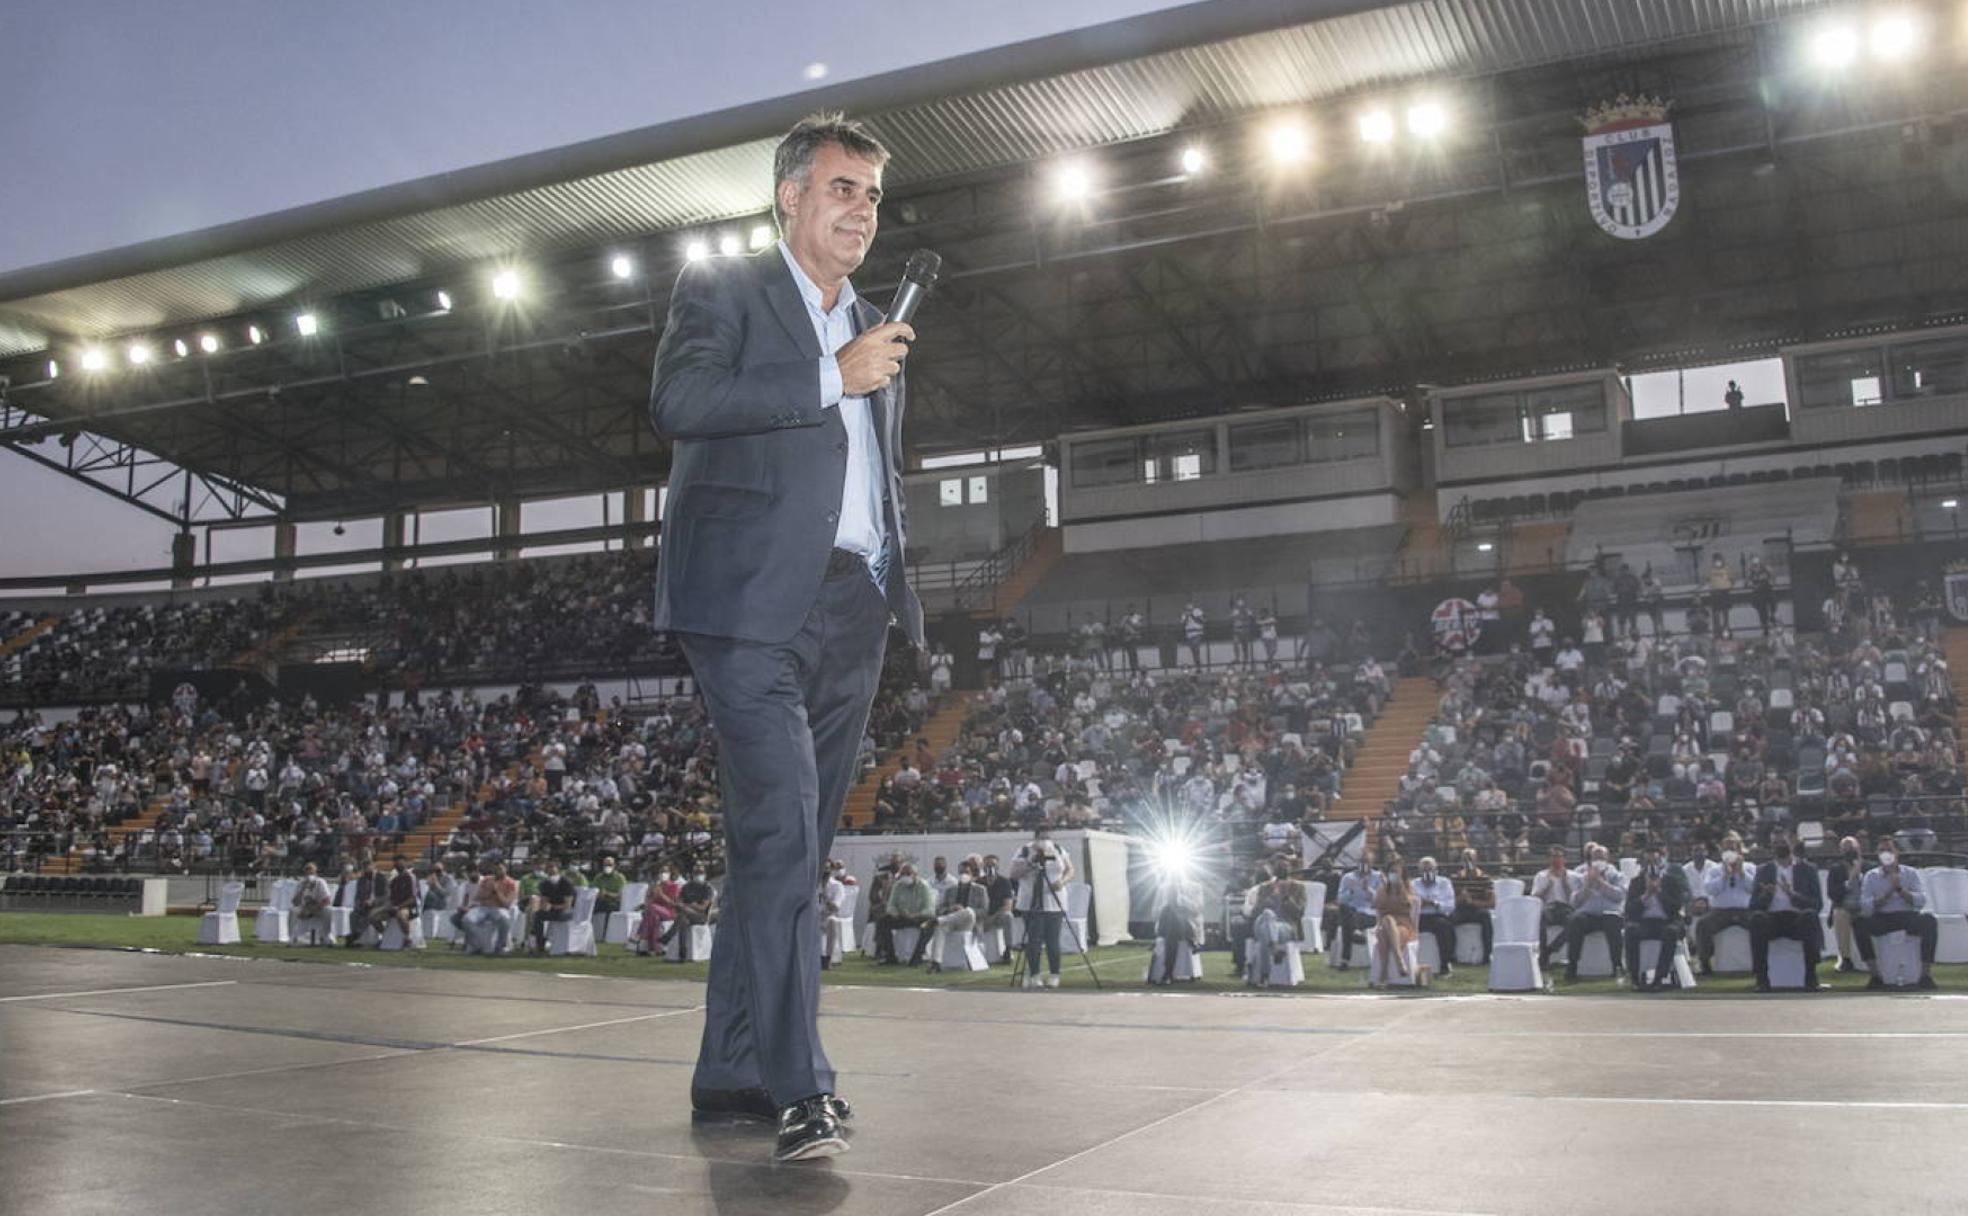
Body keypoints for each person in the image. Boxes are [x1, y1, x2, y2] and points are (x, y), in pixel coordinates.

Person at [648, 112, 920, 1159]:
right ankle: (802, 1087)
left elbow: (870, 470)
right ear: (791, 197)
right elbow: (680, 400)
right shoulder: (723, 289)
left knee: (785, 852)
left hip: (853, 606)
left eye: (873, 197)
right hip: (748, 603)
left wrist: (892, 572)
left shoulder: (876, 323)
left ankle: (731, 1072)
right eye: (844, 189)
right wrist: (827, 376)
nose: (862, 211)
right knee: (783, 834)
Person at [1856, 844, 1939, 989]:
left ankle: (1925, 975)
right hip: (1883, 917)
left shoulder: (1910, 873)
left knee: (1929, 920)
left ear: (1897, 853)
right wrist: (1888, 893)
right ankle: (1875, 975)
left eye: (1889, 850)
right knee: (1859, 922)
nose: (1886, 854)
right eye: (1882, 850)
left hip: (1907, 916)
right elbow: (1865, 905)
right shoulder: (1871, 875)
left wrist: (1900, 889)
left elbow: (1920, 901)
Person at [1748, 833, 1823, 992]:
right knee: (1757, 919)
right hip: (1772, 919)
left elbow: (1817, 904)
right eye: (1775, 843)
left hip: (1797, 918)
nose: (1780, 846)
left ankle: (1811, 976)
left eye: (1783, 842)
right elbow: (1753, 905)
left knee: (1810, 916)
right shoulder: (1763, 871)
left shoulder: (1807, 869)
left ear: (1792, 844)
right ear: (1771, 847)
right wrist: (1767, 895)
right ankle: (1761, 978)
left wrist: (1792, 895)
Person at [1010, 827, 1074, 989]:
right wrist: (1031, 862)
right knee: (1034, 940)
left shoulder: (1058, 849)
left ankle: (1055, 974)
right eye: (1042, 836)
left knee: (1053, 940)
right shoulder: (1024, 850)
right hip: (1031, 901)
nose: (1045, 839)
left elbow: (1070, 870)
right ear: (1036, 837)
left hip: (1054, 900)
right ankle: (1034, 974)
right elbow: (1014, 874)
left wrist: (1062, 882)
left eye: (1048, 836)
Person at [1621, 843, 1690, 991]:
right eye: (1648, 862)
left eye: (1655, 861)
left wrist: (1658, 892)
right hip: (1644, 922)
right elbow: (1630, 910)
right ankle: (1635, 978)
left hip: (1667, 921)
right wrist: (1646, 895)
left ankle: (1659, 978)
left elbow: (1676, 907)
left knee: (1670, 932)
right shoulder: (1636, 882)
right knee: (1631, 930)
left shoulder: (1671, 881)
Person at [1564, 845, 1626, 981]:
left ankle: (1617, 966)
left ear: (1608, 858)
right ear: (1590, 859)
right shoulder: (1580, 876)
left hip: (1610, 914)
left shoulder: (1616, 875)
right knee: (1575, 921)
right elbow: (1575, 902)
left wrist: (1600, 882)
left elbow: (1619, 896)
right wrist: (1587, 885)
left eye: (1601, 857)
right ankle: (1572, 965)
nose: (1598, 860)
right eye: (1595, 857)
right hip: (1588, 916)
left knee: (1613, 922)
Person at [1244, 858, 1307, 987]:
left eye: (1286, 866)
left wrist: (1286, 897)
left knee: (1264, 940)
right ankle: (1274, 948)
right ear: (1274, 869)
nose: (1283, 869)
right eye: (1279, 866)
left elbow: (1299, 913)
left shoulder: (1299, 887)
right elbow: (1255, 912)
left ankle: (1264, 976)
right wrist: (1268, 898)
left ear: (1290, 869)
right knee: (1267, 914)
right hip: (1262, 923)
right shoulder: (1265, 887)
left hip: (1285, 926)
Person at [1697, 846, 1755, 975]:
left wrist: (1742, 873)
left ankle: (1759, 963)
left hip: (1744, 910)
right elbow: (1711, 890)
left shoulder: (1750, 867)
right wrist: (1724, 876)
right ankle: (1705, 963)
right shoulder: (1714, 870)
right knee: (1703, 924)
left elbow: (1753, 888)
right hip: (1720, 912)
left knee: (1759, 923)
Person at [925, 859, 988, 974]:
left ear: (972, 874)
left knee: (968, 911)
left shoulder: (980, 890)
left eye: (966, 872)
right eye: (961, 872)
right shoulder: (951, 890)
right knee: (940, 928)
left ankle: (938, 920)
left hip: (970, 922)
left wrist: (963, 910)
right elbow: (940, 909)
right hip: (952, 922)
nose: (964, 875)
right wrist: (950, 909)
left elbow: (984, 911)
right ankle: (936, 962)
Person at [875, 861, 936, 966]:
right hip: (902, 916)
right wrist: (896, 912)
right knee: (882, 922)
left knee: (930, 925)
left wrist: (916, 914)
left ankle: (917, 957)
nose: (905, 877)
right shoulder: (898, 885)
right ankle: (890, 956)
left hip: (918, 917)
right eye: (903, 874)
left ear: (915, 875)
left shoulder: (924, 886)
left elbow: (930, 910)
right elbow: (891, 905)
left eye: (908, 874)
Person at [1328, 855, 1381, 969]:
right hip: (1350, 912)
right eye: (1361, 862)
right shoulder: (1348, 877)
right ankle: (1355, 932)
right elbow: (1340, 899)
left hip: (1370, 914)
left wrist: (1368, 890)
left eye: (1366, 863)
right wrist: (1351, 891)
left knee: (1347, 923)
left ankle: (1345, 960)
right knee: (1347, 913)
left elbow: (1380, 901)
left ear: (1371, 863)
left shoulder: (1378, 877)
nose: (1363, 866)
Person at [1530, 846, 1577, 972]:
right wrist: (1547, 886)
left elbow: (1575, 899)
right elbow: (1534, 897)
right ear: (1548, 859)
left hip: (1566, 907)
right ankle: (1543, 954)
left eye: (1559, 857)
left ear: (1564, 859)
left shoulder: (1572, 875)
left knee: (1573, 922)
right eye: (1553, 857)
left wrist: (1565, 884)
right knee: (1541, 920)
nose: (1556, 860)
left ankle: (1550, 950)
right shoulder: (1541, 875)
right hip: (1549, 907)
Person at [1411, 856, 1460, 977]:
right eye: (1424, 870)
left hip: (1437, 916)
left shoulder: (1444, 883)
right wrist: (1420, 904)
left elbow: (1449, 906)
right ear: (1420, 871)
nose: (1427, 873)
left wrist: (1435, 903)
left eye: (1430, 870)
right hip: (1420, 917)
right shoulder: (1413, 884)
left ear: (1436, 870)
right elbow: (1409, 903)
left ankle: (1445, 963)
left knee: (1444, 927)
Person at [1370, 864, 1417, 989]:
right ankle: (1399, 960)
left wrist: (1400, 889)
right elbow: (1376, 905)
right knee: (1387, 921)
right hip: (1385, 925)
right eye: (1391, 872)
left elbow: (1411, 904)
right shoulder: (1383, 890)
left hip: (1403, 925)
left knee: (1385, 932)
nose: (1393, 875)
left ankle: (1383, 975)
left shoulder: (1408, 889)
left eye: (1396, 873)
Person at [1824, 836, 1867, 971]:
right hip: (1845, 906)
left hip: (1868, 905)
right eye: (1845, 849)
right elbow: (1833, 894)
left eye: (1852, 848)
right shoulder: (1836, 869)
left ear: (1858, 849)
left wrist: (1860, 874)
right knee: (1840, 913)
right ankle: (1846, 959)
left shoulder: (1870, 867)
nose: (1849, 852)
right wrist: (1849, 880)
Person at [463, 862, 519, 955]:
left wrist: (496, 891)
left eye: (500, 869)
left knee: (504, 920)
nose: (498, 871)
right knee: (467, 919)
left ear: (506, 869)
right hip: (483, 907)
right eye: (496, 869)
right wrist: (490, 892)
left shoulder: (511, 883)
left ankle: (500, 946)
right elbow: (478, 897)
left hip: (499, 908)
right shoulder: (487, 880)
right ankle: (476, 945)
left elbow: (506, 903)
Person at [1449, 849, 1493, 964]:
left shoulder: (1485, 878)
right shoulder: (1456, 878)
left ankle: (1487, 955)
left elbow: (1492, 902)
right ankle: (1451, 955)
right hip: (1460, 909)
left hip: (1478, 910)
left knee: (1486, 917)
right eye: (1465, 859)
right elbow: (1448, 901)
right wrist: (1460, 899)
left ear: (1476, 860)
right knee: (1447, 920)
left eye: (1470, 859)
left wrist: (1472, 901)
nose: (1468, 862)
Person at [528, 858, 576, 953]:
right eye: (548, 867)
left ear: (558, 868)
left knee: (543, 915)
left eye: (552, 867)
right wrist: (543, 906)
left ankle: (539, 942)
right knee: (537, 915)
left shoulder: (566, 883)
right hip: (553, 910)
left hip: (565, 912)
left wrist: (553, 907)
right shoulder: (545, 883)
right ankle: (539, 944)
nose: (549, 869)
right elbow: (545, 900)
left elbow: (568, 905)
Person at [289, 861, 334, 945]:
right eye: (307, 872)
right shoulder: (301, 883)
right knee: (293, 911)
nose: (309, 874)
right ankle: (292, 937)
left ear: (315, 873)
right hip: (304, 909)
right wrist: (302, 890)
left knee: (328, 910)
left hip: (318, 908)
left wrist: (314, 909)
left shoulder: (320, 882)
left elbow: (327, 900)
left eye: (311, 872)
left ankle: (326, 936)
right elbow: (295, 902)